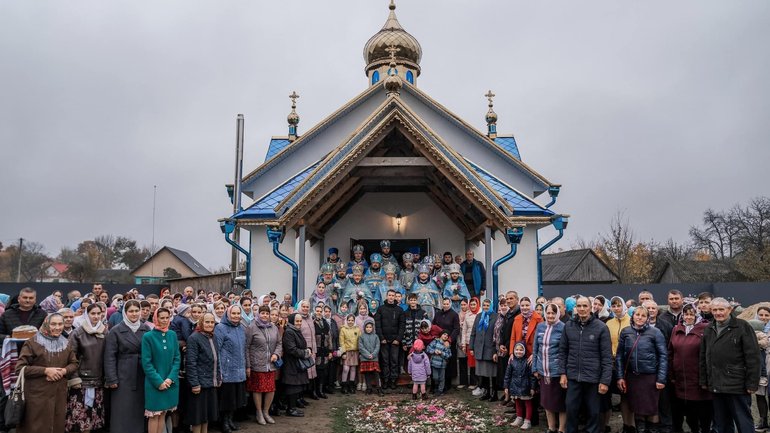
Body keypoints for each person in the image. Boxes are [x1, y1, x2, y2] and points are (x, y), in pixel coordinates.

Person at [699, 297, 760, 433]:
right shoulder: (709, 329)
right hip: (716, 385)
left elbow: (753, 357)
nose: (718, 313)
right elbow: (704, 357)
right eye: (715, 310)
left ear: (729, 310)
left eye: (721, 309)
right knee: (721, 423)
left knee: (743, 422)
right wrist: (704, 381)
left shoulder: (742, 326)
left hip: (737, 385)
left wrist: (752, 383)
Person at [14, 313, 78, 433]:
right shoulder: (32, 343)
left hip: (58, 395)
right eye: (53, 324)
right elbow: (20, 368)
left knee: (56, 426)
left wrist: (64, 370)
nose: (57, 327)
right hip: (36, 396)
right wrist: (45, 371)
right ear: (46, 324)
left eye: (60, 324)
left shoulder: (66, 343)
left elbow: (74, 364)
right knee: (35, 427)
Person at [559, 296, 612, 433]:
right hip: (573, 377)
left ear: (590, 308)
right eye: (579, 306)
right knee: (571, 409)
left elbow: (607, 357)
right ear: (575, 308)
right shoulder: (568, 326)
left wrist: (605, 381)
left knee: (593, 413)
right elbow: (563, 352)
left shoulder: (601, 327)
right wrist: (563, 374)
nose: (582, 309)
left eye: (585, 306)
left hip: (593, 378)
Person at [616, 306, 668, 432]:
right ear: (632, 316)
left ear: (647, 318)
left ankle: (653, 430)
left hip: (650, 377)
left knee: (651, 409)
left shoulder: (655, 332)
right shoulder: (625, 332)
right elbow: (619, 356)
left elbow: (663, 356)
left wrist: (661, 379)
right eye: (637, 314)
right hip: (633, 377)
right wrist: (620, 377)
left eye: (643, 315)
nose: (640, 317)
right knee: (637, 408)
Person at [104, 300, 150, 433]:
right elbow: (109, 356)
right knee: (123, 408)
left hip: (142, 373)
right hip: (123, 374)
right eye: (131, 311)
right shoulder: (116, 330)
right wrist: (111, 378)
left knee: (139, 407)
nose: (134, 314)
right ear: (125, 312)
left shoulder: (146, 328)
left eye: (137, 310)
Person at [668, 303, 712, 433]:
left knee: (702, 411)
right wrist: (671, 374)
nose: (688, 317)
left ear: (697, 315)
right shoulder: (676, 329)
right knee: (688, 412)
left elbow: (709, 354)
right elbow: (670, 352)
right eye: (686, 314)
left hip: (698, 378)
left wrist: (705, 377)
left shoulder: (705, 329)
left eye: (691, 314)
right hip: (680, 379)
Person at [66, 303, 108, 433]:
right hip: (81, 382)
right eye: (93, 313)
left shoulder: (106, 331)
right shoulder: (77, 333)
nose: (96, 316)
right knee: (80, 420)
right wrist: (74, 378)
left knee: (93, 420)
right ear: (86, 314)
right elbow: (71, 357)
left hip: (98, 380)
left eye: (98, 313)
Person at [142, 307, 181, 433]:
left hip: (170, 382)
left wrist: (170, 378)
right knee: (154, 416)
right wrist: (159, 382)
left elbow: (177, 358)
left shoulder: (172, 335)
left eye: (167, 317)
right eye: (162, 318)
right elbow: (146, 363)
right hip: (154, 384)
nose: (164, 320)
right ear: (156, 318)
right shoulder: (148, 337)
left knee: (164, 413)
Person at [243, 305, 282, 425]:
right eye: (262, 313)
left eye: (267, 313)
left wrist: (276, 354)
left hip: (271, 364)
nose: (265, 315)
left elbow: (279, 343)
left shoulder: (274, 327)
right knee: (258, 389)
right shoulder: (251, 327)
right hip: (257, 364)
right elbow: (247, 347)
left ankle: (266, 412)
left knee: (271, 389)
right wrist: (248, 366)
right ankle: (259, 412)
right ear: (258, 314)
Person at [533, 303, 567, 433]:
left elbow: (565, 351)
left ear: (557, 313)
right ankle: (551, 428)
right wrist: (535, 368)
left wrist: (564, 372)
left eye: (553, 313)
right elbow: (536, 348)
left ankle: (562, 429)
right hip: (543, 372)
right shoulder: (540, 326)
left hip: (557, 372)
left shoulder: (563, 328)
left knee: (560, 403)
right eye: (548, 313)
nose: (550, 315)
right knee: (547, 402)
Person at [185, 312, 221, 433]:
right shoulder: (194, 338)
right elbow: (191, 363)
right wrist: (195, 383)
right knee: (198, 418)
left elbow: (217, 359)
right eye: (207, 322)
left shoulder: (213, 337)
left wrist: (218, 377)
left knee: (206, 416)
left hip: (211, 382)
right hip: (199, 384)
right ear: (201, 322)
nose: (210, 324)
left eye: (212, 322)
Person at [215, 305, 247, 433]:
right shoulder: (220, 328)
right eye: (233, 313)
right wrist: (219, 370)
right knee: (227, 400)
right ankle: (224, 422)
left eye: (238, 313)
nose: (236, 316)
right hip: (227, 370)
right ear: (228, 314)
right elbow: (217, 349)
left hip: (239, 368)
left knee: (235, 399)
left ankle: (230, 420)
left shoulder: (241, 328)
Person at [281, 313, 310, 417]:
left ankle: (293, 407)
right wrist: (305, 353)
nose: (299, 323)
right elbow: (291, 349)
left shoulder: (295, 330)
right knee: (292, 387)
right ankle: (290, 409)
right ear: (292, 321)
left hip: (296, 363)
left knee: (296, 387)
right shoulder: (289, 332)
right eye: (297, 321)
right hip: (291, 364)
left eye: (300, 321)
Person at [375, 289, 405, 390]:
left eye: (393, 295)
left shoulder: (399, 310)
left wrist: (398, 339)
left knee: (394, 361)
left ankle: (393, 380)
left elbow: (402, 326)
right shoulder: (381, 309)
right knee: (384, 361)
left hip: (395, 341)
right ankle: (385, 380)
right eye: (390, 295)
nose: (391, 297)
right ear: (386, 296)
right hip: (384, 340)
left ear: (395, 297)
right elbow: (377, 325)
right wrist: (381, 338)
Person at [470, 298, 498, 401]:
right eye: (484, 305)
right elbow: (473, 333)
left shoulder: (496, 317)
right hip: (479, 349)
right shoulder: (478, 317)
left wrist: (496, 350)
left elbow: (497, 335)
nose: (486, 307)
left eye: (487, 305)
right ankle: (486, 392)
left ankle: (494, 393)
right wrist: (471, 347)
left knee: (492, 373)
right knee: (483, 373)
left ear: (491, 306)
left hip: (490, 349)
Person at [505, 341, 538, 430]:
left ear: (524, 351)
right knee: (518, 403)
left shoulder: (527, 362)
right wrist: (506, 387)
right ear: (514, 350)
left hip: (525, 387)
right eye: (517, 349)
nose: (518, 351)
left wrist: (532, 387)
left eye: (521, 350)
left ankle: (527, 421)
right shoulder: (511, 362)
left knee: (528, 403)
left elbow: (532, 377)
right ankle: (519, 418)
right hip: (514, 386)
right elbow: (507, 376)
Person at [434, 297, 461, 392]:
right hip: (438, 342)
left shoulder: (454, 314)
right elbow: (434, 326)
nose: (445, 305)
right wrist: (436, 339)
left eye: (447, 304)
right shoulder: (438, 314)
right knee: (438, 362)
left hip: (448, 343)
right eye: (444, 304)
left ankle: (447, 384)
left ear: (450, 304)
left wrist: (449, 340)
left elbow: (456, 329)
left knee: (448, 363)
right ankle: (437, 384)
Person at [359, 317, 384, 396]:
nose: (368, 329)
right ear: (364, 328)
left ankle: (378, 388)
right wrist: (367, 355)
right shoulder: (361, 337)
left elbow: (377, 346)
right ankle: (369, 388)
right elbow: (361, 347)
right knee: (367, 374)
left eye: (370, 327)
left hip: (374, 358)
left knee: (376, 373)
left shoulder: (376, 336)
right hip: (365, 358)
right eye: (367, 327)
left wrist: (373, 354)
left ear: (372, 328)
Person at [312, 304, 332, 399]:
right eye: (317, 311)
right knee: (316, 371)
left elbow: (329, 337)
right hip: (316, 351)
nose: (319, 313)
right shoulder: (312, 322)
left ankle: (320, 390)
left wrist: (330, 350)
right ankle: (314, 391)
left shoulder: (325, 322)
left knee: (323, 371)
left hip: (325, 351)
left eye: (320, 311)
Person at [340, 313, 360, 394]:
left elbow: (359, 340)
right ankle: (344, 385)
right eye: (349, 320)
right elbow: (341, 341)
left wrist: (360, 351)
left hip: (355, 351)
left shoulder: (357, 329)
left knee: (353, 368)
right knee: (346, 369)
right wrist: (343, 352)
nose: (350, 322)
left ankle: (351, 385)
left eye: (352, 320)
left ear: (354, 321)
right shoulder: (343, 329)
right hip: (347, 351)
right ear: (346, 320)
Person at [427, 330, 452, 395]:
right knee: (435, 377)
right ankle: (436, 387)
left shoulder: (447, 345)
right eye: (444, 334)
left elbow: (449, 355)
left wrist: (442, 353)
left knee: (442, 378)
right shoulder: (435, 341)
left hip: (442, 365)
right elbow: (428, 348)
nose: (446, 336)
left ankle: (440, 390)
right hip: (434, 363)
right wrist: (434, 351)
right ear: (441, 335)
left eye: (447, 335)